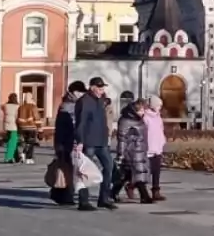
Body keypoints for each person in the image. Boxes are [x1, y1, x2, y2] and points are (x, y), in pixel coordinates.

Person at [73, 76, 115, 211]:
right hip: (89, 141)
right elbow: (81, 122)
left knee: (109, 166)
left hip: (101, 141)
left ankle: (104, 198)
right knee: (84, 170)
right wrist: (80, 140)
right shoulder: (84, 102)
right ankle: (83, 201)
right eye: (99, 88)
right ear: (92, 87)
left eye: (102, 88)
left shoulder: (100, 101)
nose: (101, 91)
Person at [110, 98, 153, 204]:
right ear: (135, 110)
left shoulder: (139, 119)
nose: (143, 113)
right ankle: (144, 196)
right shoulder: (125, 121)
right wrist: (121, 153)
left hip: (140, 150)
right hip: (131, 151)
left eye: (143, 110)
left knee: (127, 175)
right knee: (138, 173)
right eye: (141, 111)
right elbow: (122, 138)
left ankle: (112, 192)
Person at [50, 81, 83, 206]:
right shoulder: (67, 106)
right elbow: (63, 127)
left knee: (67, 169)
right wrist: (60, 145)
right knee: (67, 169)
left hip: (69, 141)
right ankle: (64, 195)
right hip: (65, 142)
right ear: (74, 92)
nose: (81, 94)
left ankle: (62, 194)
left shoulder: (72, 104)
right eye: (80, 92)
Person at [142, 95, 167, 201]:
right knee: (147, 171)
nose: (160, 107)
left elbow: (160, 130)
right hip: (149, 147)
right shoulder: (145, 117)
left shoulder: (158, 117)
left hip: (157, 147)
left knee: (157, 171)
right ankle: (132, 186)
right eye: (158, 105)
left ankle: (156, 191)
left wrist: (162, 140)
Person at [16, 92, 40, 165]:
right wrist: (39, 127)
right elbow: (37, 117)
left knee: (27, 142)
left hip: (22, 127)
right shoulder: (33, 107)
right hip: (31, 126)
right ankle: (27, 157)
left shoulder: (21, 107)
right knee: (31, 142)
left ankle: (26, 156)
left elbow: (18, 117)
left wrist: (19, 126)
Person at [2, 93, 20, 163]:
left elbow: (2, 106)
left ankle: (16, 157)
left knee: (12, 141)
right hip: (14, 125)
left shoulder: (5, 106)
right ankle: (8, 157)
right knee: (12, 142)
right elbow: (17, 116)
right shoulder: (17, 107)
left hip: (6, 125)